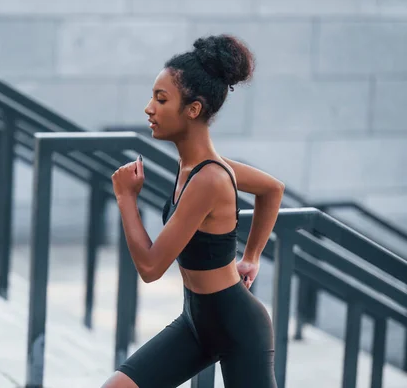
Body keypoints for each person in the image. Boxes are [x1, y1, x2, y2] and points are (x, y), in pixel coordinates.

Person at [103, 34, 285, 388]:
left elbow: (152, 267)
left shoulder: (210, 179)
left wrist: (126, 198)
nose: (148, 109)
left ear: (194, 109)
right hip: (197, 322)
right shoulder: (197, 168)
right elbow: (271, 189)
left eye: (161, 99)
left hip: (238, 328)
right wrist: (250, 258)